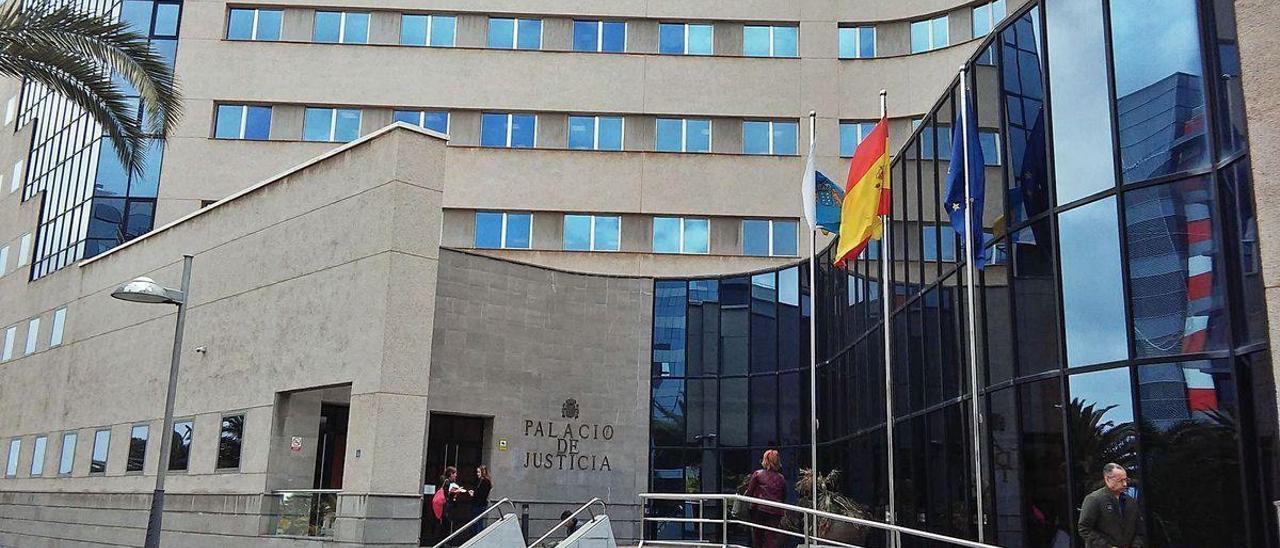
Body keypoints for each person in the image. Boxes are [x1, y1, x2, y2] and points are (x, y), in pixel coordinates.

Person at [1078, 463, 1144, 548]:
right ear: (1107, 479)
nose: (1125, 484)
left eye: (1126, 480)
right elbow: (1084, 528)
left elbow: (1139, 530)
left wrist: (1136, 546)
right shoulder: (1094, 499)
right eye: (1120, 480)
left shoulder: (1131, 501)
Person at [743, 449, 786, 548]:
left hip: (759, 509)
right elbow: (783, 496)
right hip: (775, 511)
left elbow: (749, 492)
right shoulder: (781, 478)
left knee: (757, 537)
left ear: (765, 460)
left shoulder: (758, 474)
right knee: (771, 538)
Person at [470, 465, 494, 536]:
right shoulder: (486, 481)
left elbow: (481, 494)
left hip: (479, 504)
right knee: (478, 522)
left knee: (477, 523)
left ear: (482, 472)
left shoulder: (483, 481)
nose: (477, 474)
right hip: (481, 504)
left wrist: (473, 494)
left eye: (479, 472)